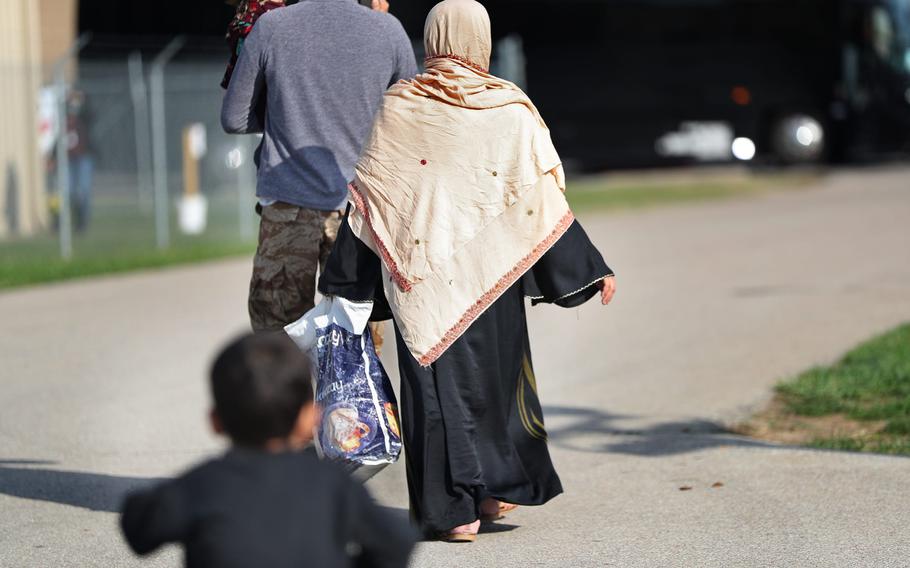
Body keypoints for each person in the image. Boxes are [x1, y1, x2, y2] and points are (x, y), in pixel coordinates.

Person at [318, 0, 618, 542]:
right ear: (480, 39)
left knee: (430, 397)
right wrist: (587, 268)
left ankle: (452, 513)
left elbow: (370, 203)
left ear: (431, 40)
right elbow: (540, 200)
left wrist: (345, 281)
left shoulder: (399, 106)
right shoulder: (509, 109)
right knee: (496, 386)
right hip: (490, 280)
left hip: (420, 282)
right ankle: (493, 490)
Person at [120, 332, 417, 568]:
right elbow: (396, 540)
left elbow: (138, 531)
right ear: (309, 419)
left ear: (216, 422)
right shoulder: (331, 483)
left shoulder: (203, 485)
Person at [221, 0, 416, 337]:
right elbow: (410, 120)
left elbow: (234, 118)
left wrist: (283, 118)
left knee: (277, 340)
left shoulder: (272, 26)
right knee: (354, 343)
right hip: (360, 211)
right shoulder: (389, 31)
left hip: (286, 203)